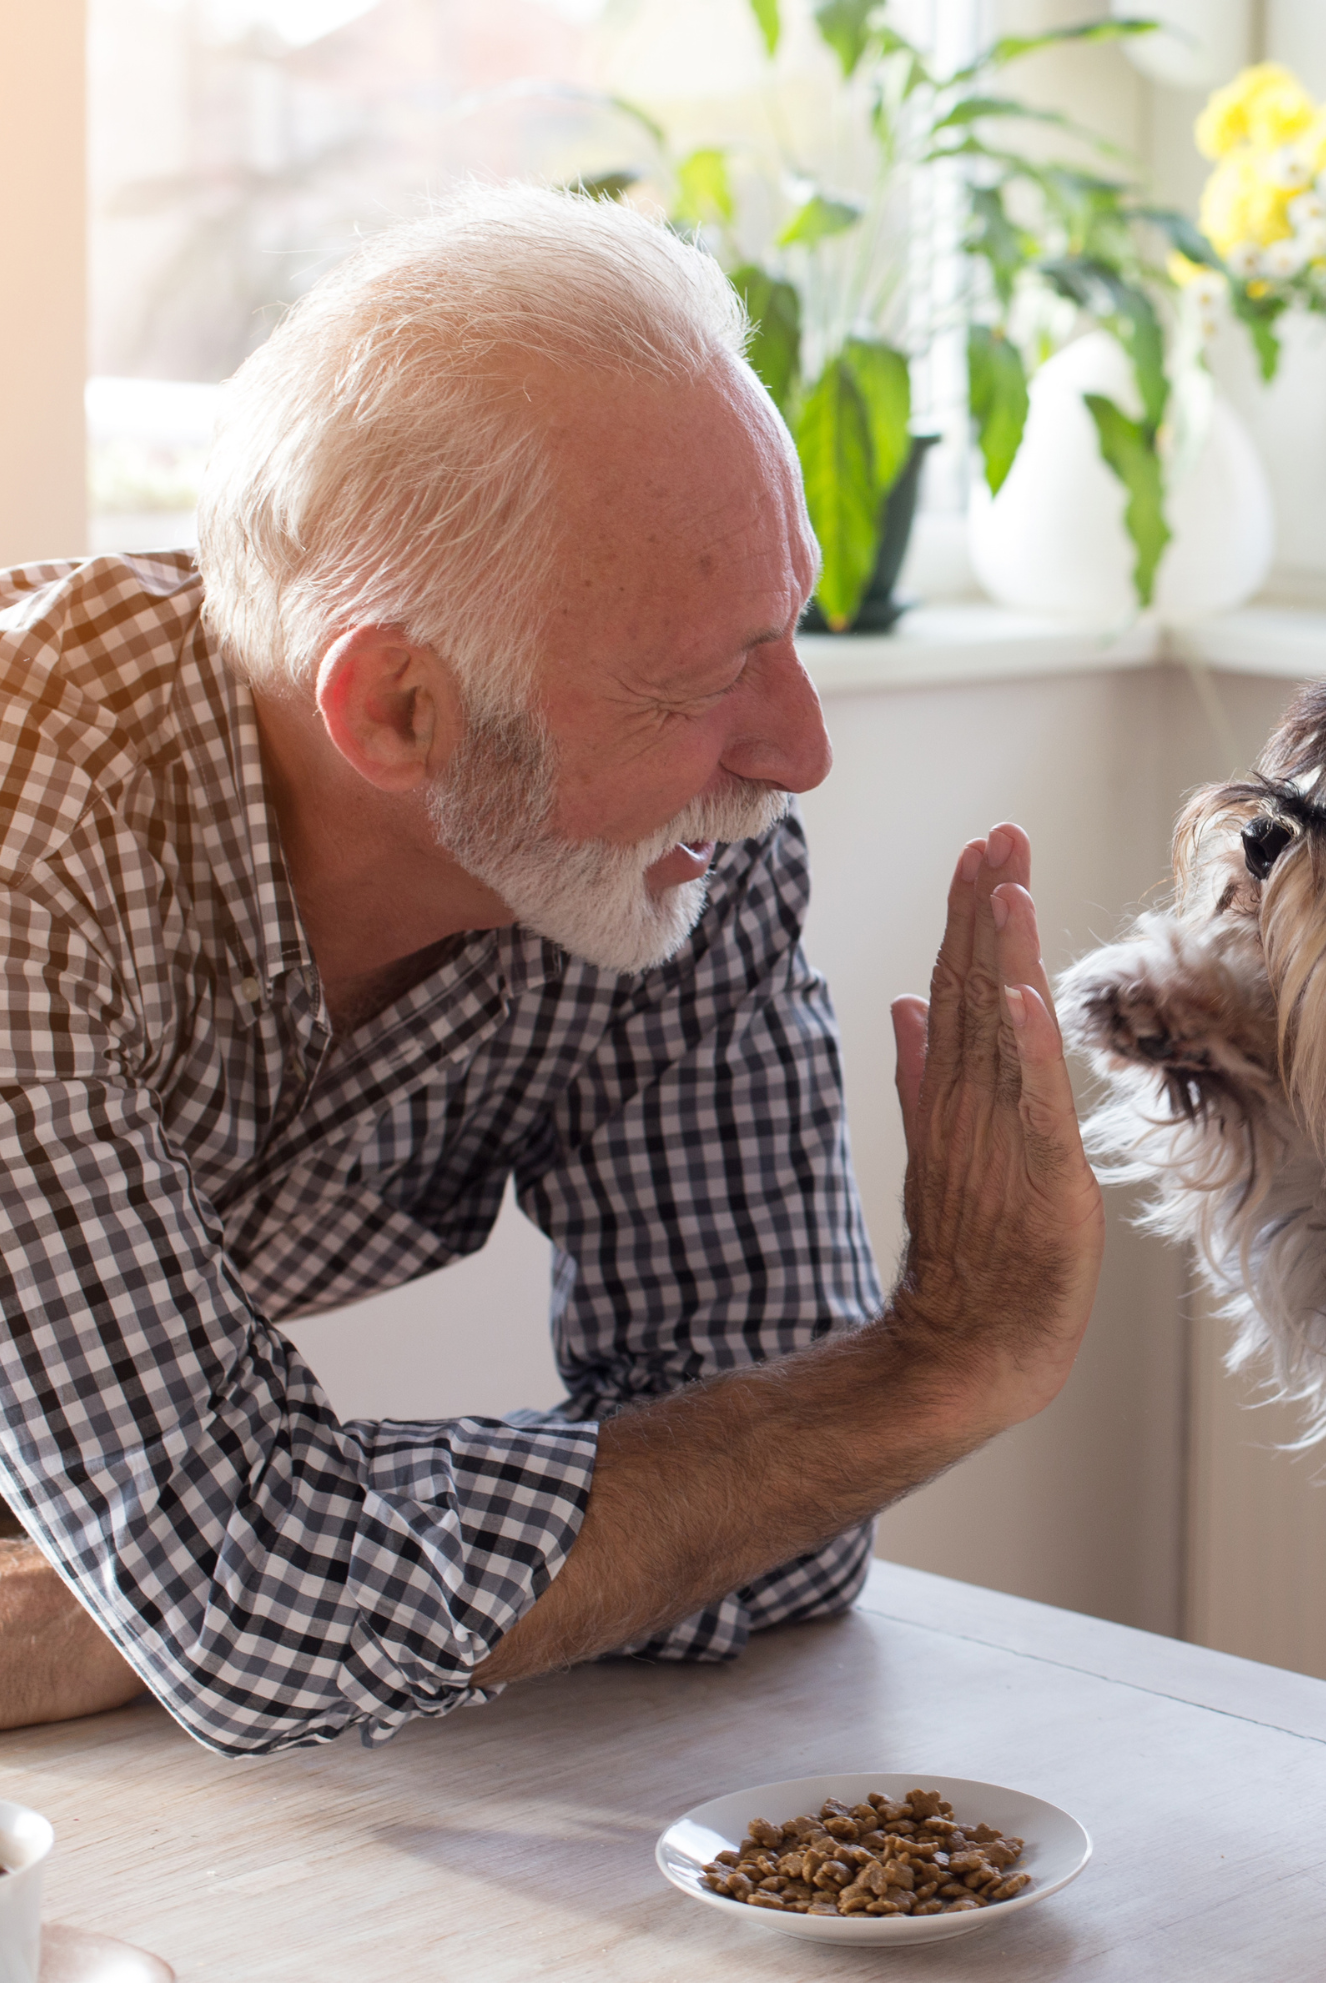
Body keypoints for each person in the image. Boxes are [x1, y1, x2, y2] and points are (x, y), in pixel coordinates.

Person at [0, 185, 1103, 1752]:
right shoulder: (23, 829)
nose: (800, 751)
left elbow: (789, 1519)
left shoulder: (666, 861)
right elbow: (259, 1618)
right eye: (712, 674)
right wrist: (944, 1365)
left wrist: (180, 1592)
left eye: (787, 628)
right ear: (395, 712)